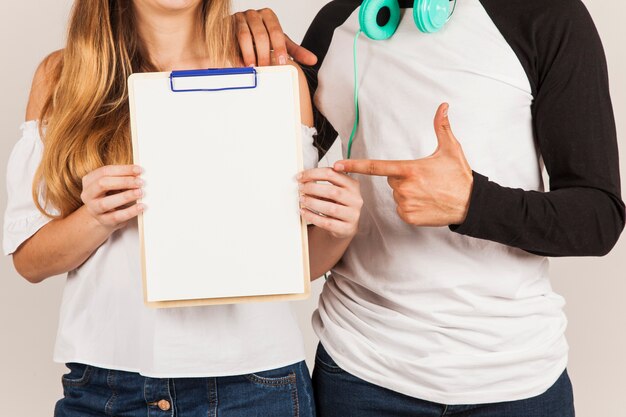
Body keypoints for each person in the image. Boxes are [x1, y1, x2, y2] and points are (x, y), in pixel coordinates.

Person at [236, 0, 625, 415]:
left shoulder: (546, 14)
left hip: (516, 380)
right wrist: (234, 39)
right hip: (359, 372)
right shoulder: (338, 23)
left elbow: (597, 219)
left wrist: (472, 203)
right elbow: (267, 192)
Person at [3, 1, 363, 416]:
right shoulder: (62, 77)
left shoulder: (270, 73)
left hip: (254, 385)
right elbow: (30, 261)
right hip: (107, 386)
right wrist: (95, 219)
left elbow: (295, 266)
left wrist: (339, 229)